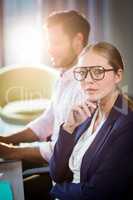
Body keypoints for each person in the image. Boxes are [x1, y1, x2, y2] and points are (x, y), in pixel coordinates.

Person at [0, 10, 90, 200]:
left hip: (69, 179)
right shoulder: (64, 76)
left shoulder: (86, 87)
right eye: (48, 42)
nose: (49, 49)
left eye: (55, 42)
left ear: (78, 41)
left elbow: (64, 148)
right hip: (55, 166)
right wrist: (8, 138)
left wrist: (11, 151)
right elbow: (48, 120)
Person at [49, 41, 133, 200]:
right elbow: (57, 173)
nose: (88, 80)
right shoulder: (87, 113)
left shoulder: (127, 125)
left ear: (118, 75)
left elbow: (98, 194)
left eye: (98, 71)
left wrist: (56, 190)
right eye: (82, 72)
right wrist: (68, 127)